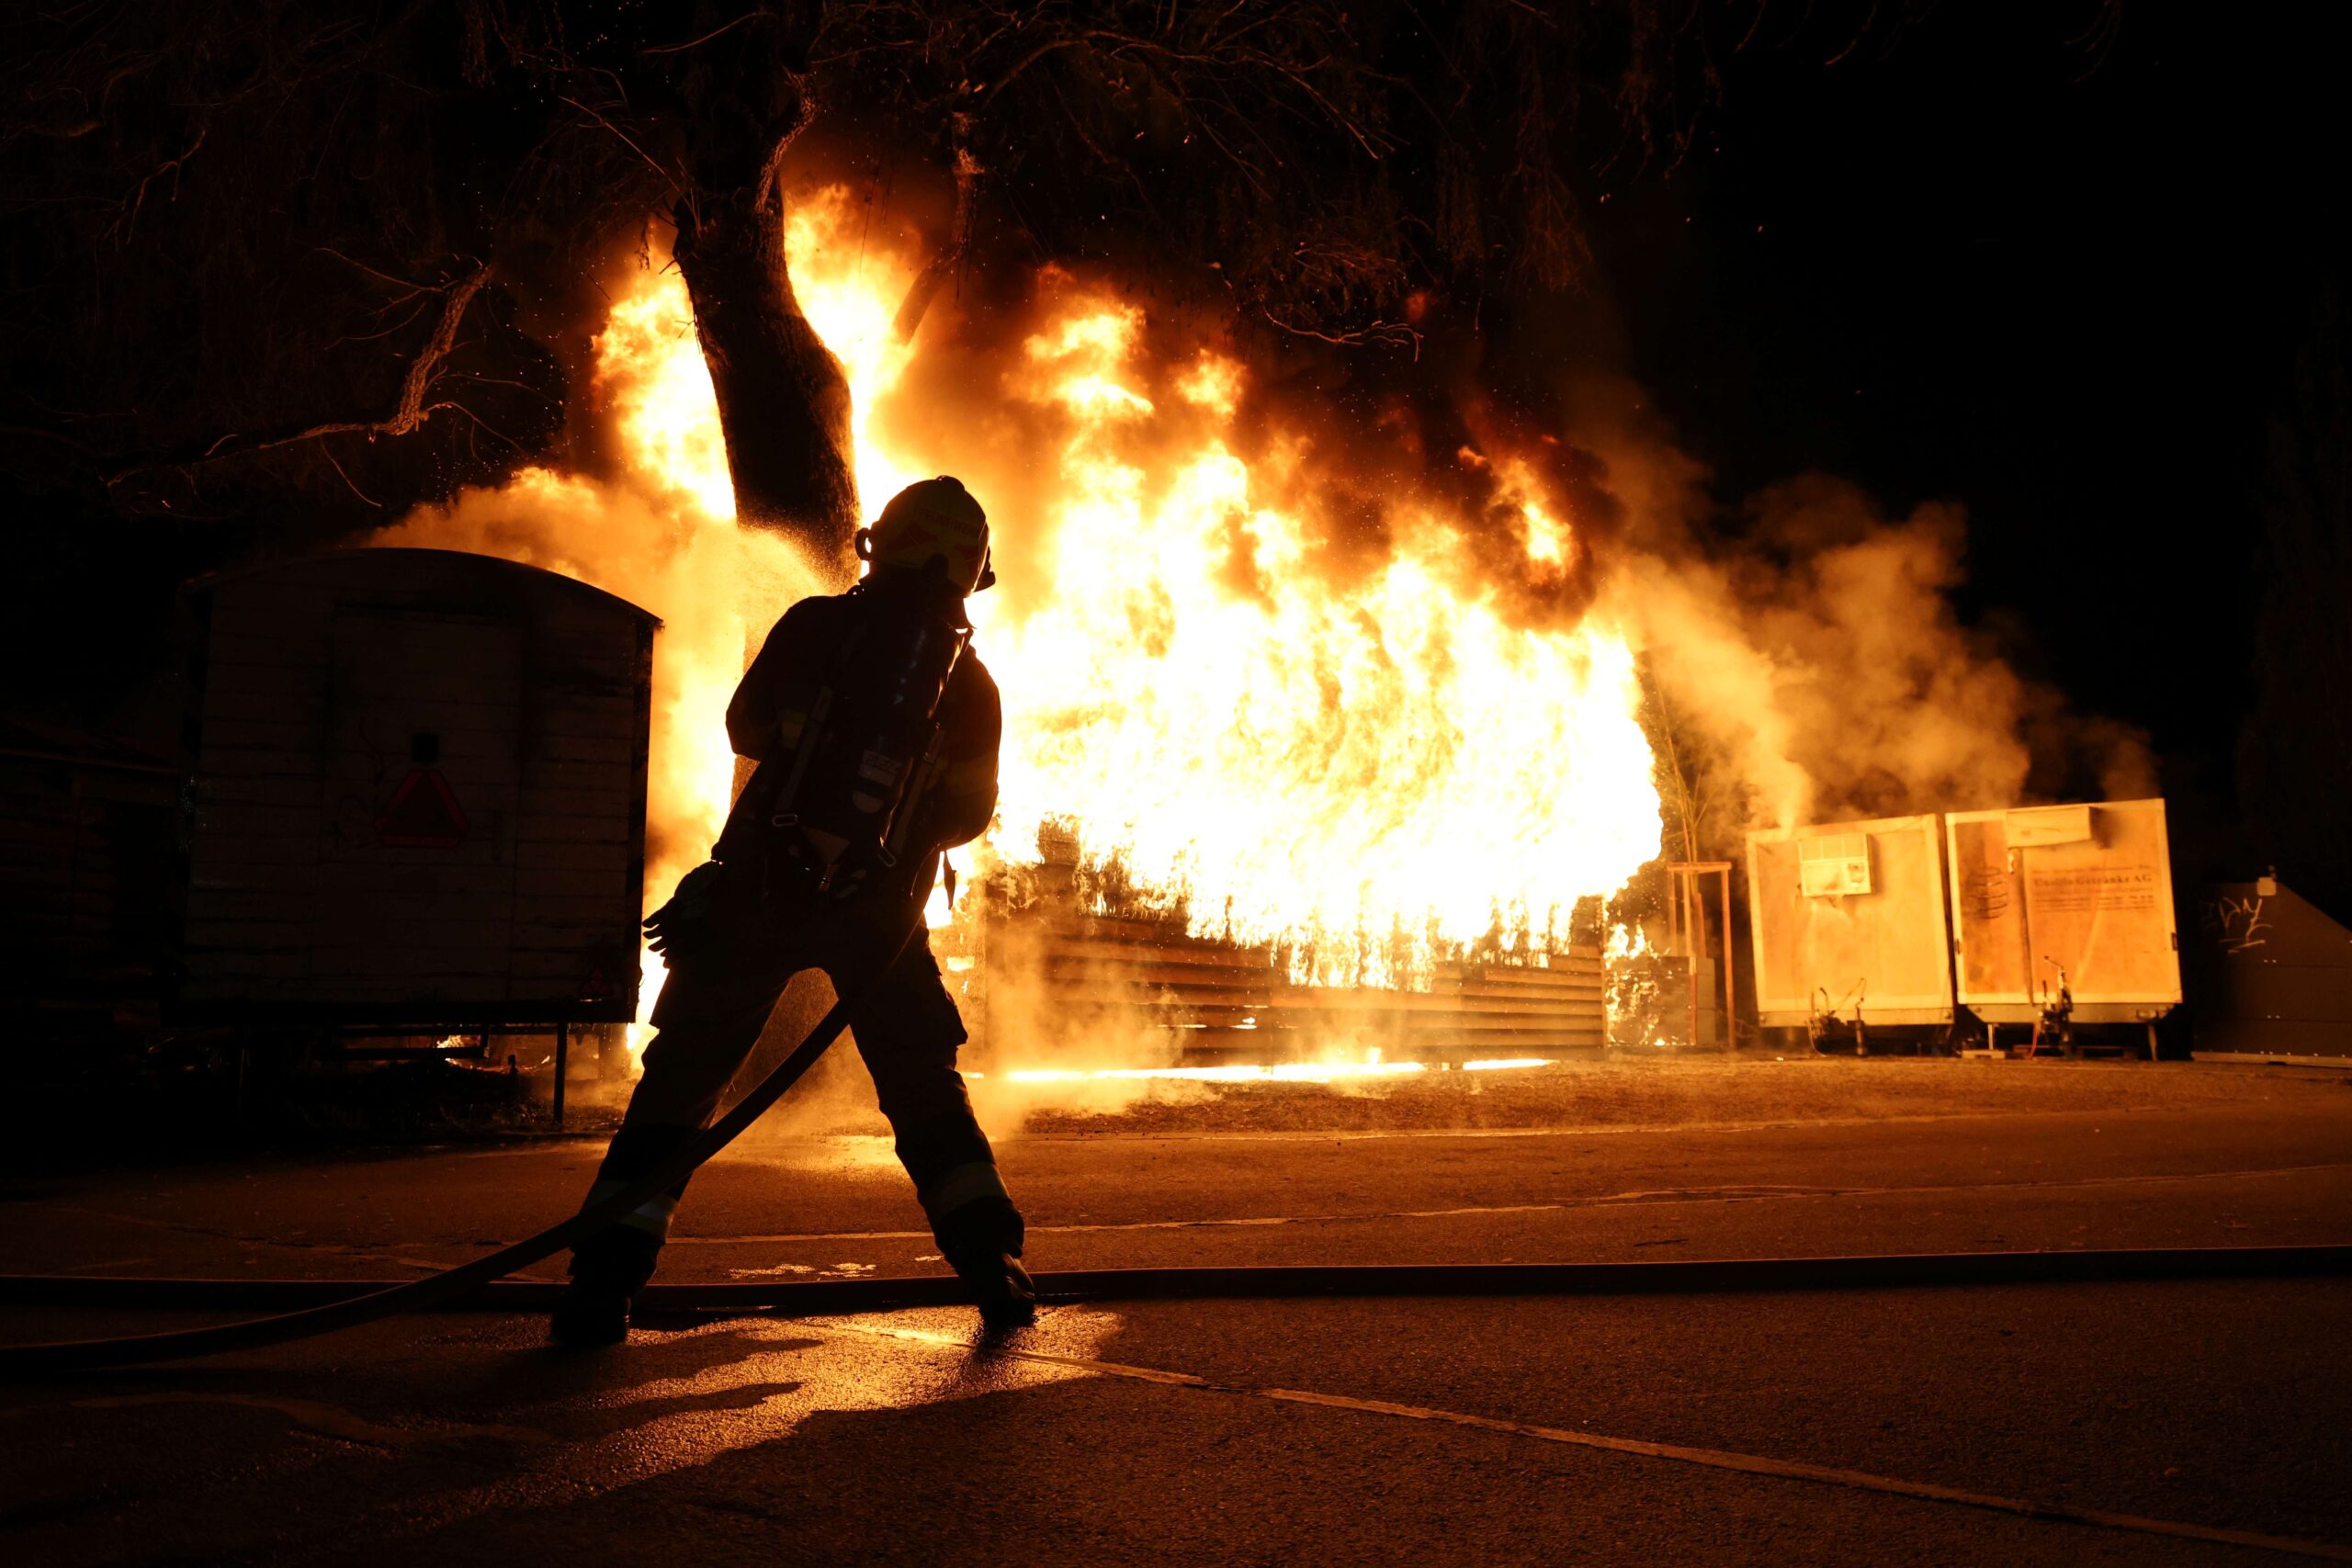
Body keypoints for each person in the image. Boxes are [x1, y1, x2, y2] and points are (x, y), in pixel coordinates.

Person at [551, 477, 1031, 1348]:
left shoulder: (814, 625)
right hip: (880, 916)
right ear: (968, 571)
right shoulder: (973, 686)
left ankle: (602, 1282)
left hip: (758, 890)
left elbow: (744, 727)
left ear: (879, 545)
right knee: (923, 1084)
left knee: (684, 1082)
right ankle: (991, 1262)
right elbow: (968, 814)